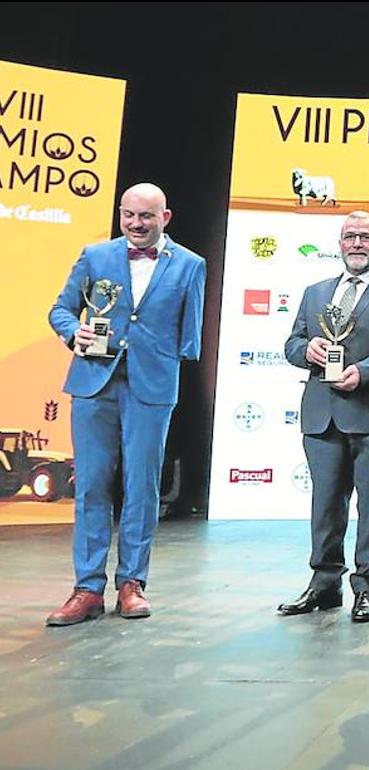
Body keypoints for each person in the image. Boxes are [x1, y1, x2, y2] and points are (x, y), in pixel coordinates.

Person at [46, 183, 206, 625]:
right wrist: (71, 332)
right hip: (93, 384)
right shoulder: (96, 256)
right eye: (129, 215)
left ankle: (132, 584)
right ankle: (87, 588)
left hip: (151, 387)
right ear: (121, 214)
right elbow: (60, 310)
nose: (137, 224)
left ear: (165, 218)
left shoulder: (191, 264)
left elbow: (189, 334)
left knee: (142, 486)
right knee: (92, 484)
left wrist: (169, 360)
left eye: (147, 217)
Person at [277, 211, 369, 622]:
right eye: (349, 236)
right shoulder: (314, 292)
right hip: (322, 415)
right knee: (324, 504)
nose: (357, 243)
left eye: (366, 237)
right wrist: (306, 351)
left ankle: (366, 588)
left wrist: (366, 371)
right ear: (339, 243)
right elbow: (292, 343)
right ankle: (324, 584)